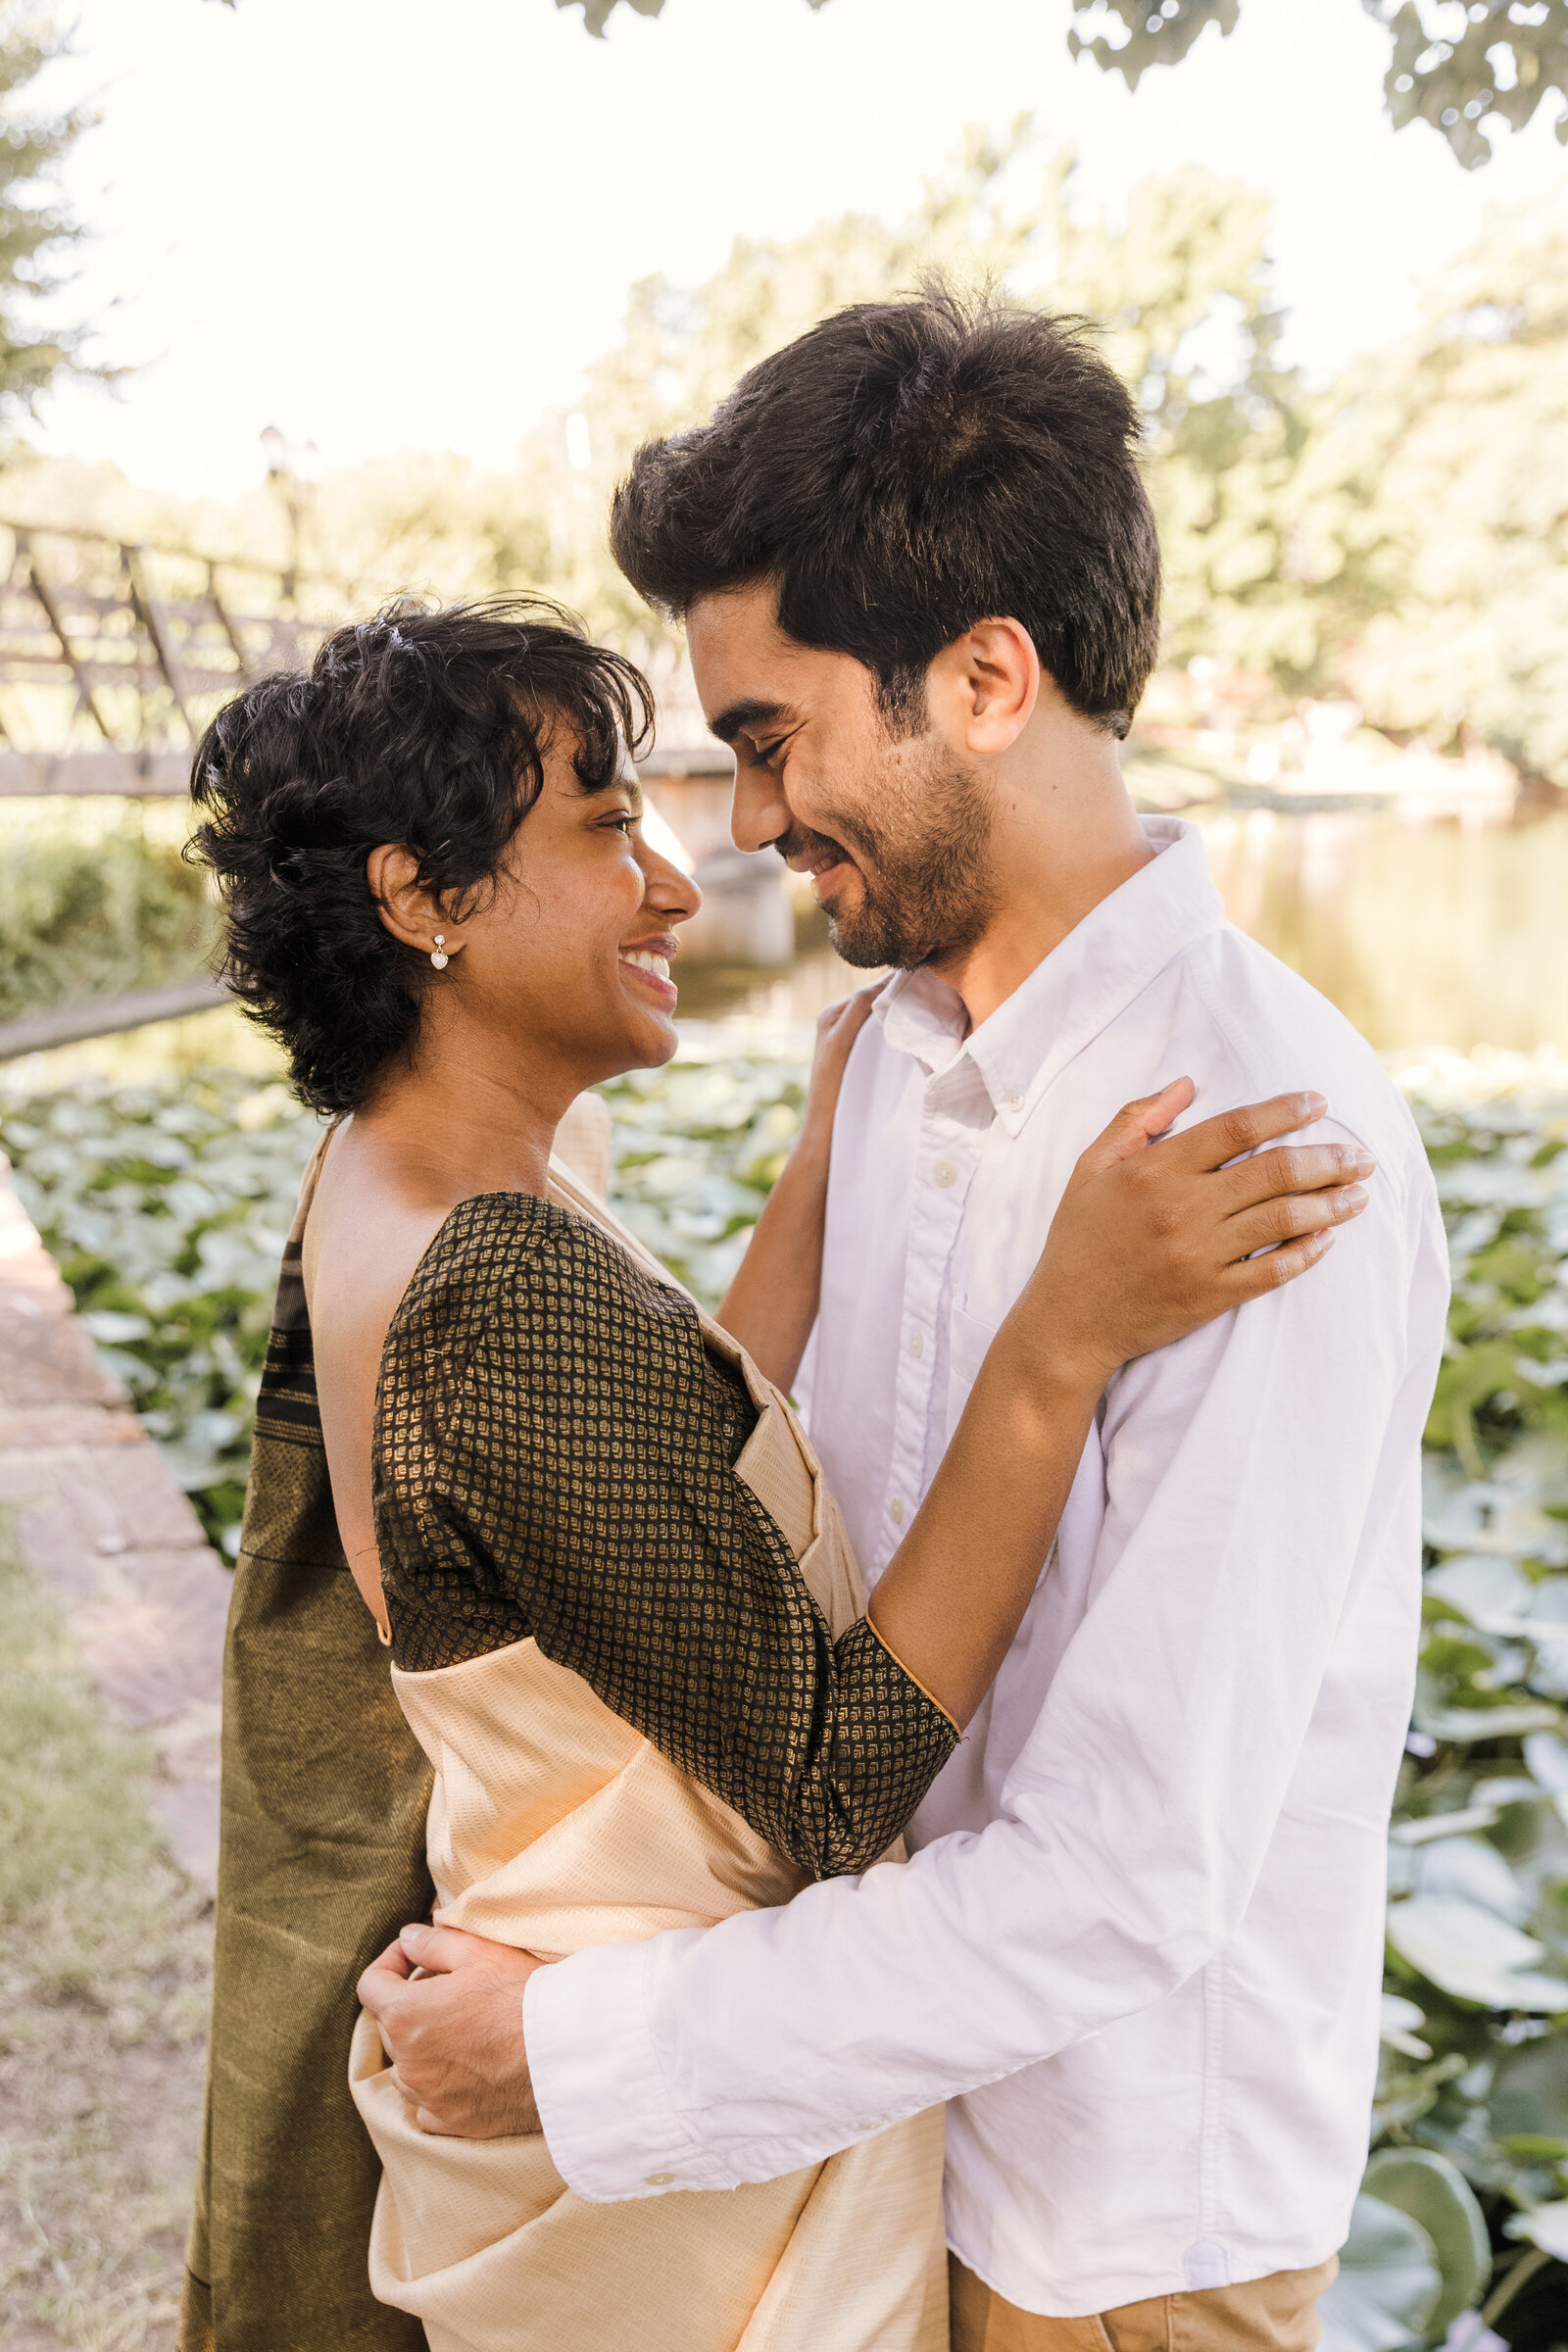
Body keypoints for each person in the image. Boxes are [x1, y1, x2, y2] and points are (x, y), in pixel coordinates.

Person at [366, 290, 1450, 2352]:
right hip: (858, 2165)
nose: (749, 827)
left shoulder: (1267, 1147)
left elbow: (1121, 1880)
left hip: (1109, 2236)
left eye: (770, 742)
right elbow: (791, 1566)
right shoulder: (884, 1058)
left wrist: (580, 2053)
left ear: (978, 679)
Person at [178, 598, 1367, 2352]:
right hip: (646, 2156)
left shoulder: (399, 1174)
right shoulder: (492, 1286)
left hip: (571, 1992)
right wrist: (1059, 1340)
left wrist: (823, 1167)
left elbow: (658, 1477)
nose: (678, 879)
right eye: (602, 826)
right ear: (418, 899)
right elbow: (828, 1776)